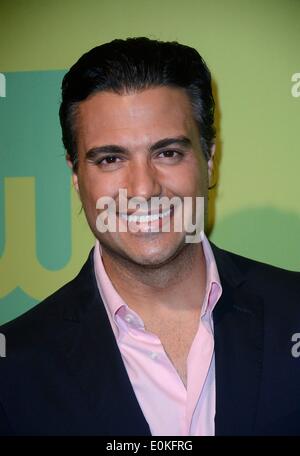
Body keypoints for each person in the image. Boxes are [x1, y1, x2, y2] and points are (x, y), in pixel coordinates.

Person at [0, 37, 299, 436]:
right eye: (110, 159)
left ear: (209, 160)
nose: (142, 189)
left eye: (168, 153)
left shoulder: (292, 310)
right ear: (76, 177)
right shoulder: (13, 367)